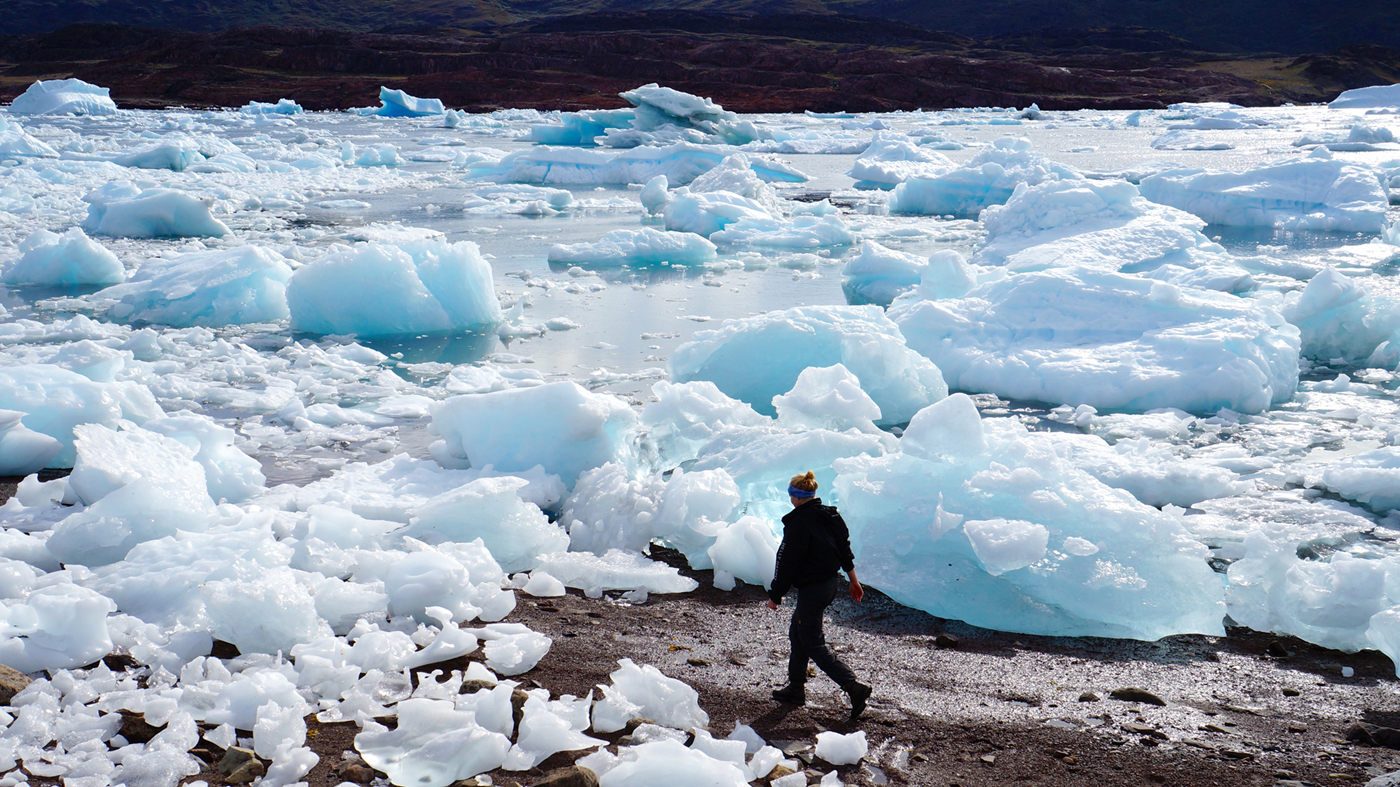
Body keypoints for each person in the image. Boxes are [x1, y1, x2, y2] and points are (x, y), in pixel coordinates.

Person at [766, 470, 873, 721]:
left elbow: (786, 563)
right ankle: (795, 689)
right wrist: (853, 581)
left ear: (794, 496)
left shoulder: (799, 522)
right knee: (798, 633)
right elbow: (845, 551)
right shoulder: (830, 516)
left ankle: (854, 687)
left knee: (813, 641)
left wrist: (775, 594)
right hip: (829, 584)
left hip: (813, 590)